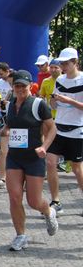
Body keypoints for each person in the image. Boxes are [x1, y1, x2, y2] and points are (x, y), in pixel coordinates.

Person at [2, 70, 58, 251]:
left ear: (30, 86)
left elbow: (52, 129)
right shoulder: (11, 104)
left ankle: (49, 211)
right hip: (15, 158)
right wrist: (5, 130)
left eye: (23, 86)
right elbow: (11, 124)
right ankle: (20, 235)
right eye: (16, 86)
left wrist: (44, 147)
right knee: (14, 196)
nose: (19, 89)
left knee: (34, 201)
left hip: (34, 158)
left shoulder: (39, 105)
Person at [46, 47, 83, 213]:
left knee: (77, 169)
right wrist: (53, 101)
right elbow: (54, 103)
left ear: (75, 62)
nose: (63, 66)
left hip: (77, 129)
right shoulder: (59, 80)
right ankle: (55, 201)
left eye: (66, 63)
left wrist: (68, 100)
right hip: (58, 126)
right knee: (50, 162)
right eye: (61, 63)